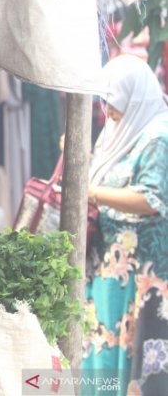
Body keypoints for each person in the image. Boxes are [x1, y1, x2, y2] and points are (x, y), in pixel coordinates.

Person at [84, 55, 168, 396]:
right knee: (105, 357)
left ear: (133, 96)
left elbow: (152, 199)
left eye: (113, 101)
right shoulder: (120, 128)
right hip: (110, 272)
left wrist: (93, 193)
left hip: (142, 276)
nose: (108, 110)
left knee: (141, 363)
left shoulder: (157, 137)